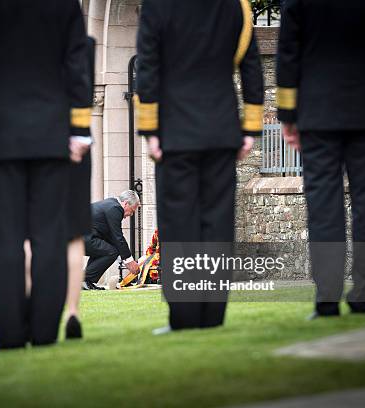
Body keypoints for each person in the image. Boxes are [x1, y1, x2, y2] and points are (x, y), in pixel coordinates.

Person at [0, 0, 92, 351]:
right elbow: (77, 64)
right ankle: (46, 331)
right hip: (52, 130)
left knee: (6, 237)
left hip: (3, 131)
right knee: (50, 234)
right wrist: (79, 129)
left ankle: (9, 335)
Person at [136, 0, 264, 331]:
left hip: (175, 132)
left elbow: (147, 65)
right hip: (221, 129)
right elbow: (251, 66)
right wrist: (250, 127)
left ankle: (184, 315)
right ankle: (213, 315)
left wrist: (149, 128)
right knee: (217, 225)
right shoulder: (237, 6)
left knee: (180, 227)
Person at [277, 0, 365, 319]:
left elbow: (288, 51)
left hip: (317, 110)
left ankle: (326, 297)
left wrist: (287, 114)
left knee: (323, 205)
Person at [63, 36, 96, 340]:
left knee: (32, 234)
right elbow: (83, 93)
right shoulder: (79, 44)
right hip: (73, 144)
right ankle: (72, 311)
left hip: (24, 142)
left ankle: (36, 313)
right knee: (73, 235)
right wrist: (79, 135)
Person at [83, 190, 141, 290]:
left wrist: (124, 260)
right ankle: (85, 280)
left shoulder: (111, 204)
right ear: (126, 203)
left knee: (105, 250)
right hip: (83, 237)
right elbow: (118, 237)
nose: (130, 215)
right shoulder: (116, 208)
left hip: (84, 236)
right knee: (111, 252)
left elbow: (112, 238)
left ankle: (86, 281)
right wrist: (129, 261)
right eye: (132, 210)